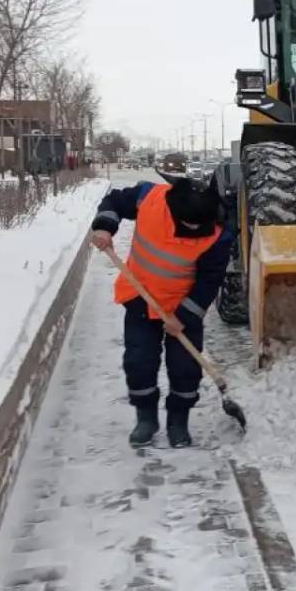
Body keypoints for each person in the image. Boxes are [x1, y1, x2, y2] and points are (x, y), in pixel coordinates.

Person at [89, 176, 232, 448]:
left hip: (183, 304)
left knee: (185, 367)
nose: (195, 227)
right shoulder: (150, 197)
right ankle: (146, 419)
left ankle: (179, 422)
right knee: (139, 360)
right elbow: (115, 201)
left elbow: (209, 281)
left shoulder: (219, 232)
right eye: (189, 223)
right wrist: (105, 227)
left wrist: (185, 317)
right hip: (140, 297)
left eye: (200, 223)